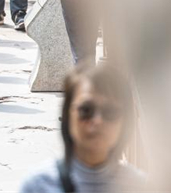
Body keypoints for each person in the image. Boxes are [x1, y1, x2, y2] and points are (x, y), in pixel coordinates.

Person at [19, 63, 145, 193]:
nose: (97, 121)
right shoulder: (38, 186)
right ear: (67, 114)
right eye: (86, 110)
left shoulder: (141, 187)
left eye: (110, 112)